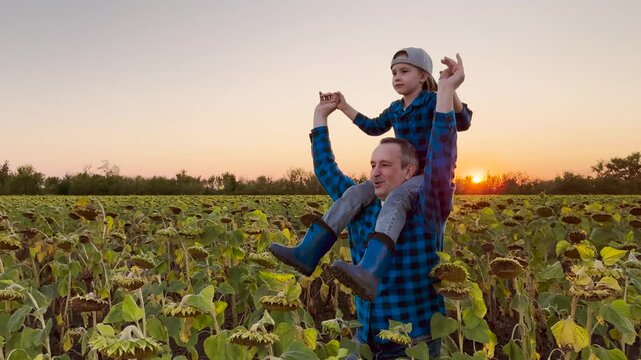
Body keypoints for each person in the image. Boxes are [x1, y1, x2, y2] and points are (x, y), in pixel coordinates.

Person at [281, 54, 463, 359]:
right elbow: (326, 169)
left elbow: (442, 162)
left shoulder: (426, 208)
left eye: (385, 165)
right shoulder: (361, 206)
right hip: (364, 339)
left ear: (409, 172)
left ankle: (369, 270)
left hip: (410, 341)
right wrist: (321, 116)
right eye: (372, 164)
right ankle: (307, 252)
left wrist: (446, 94)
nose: (375, 172)